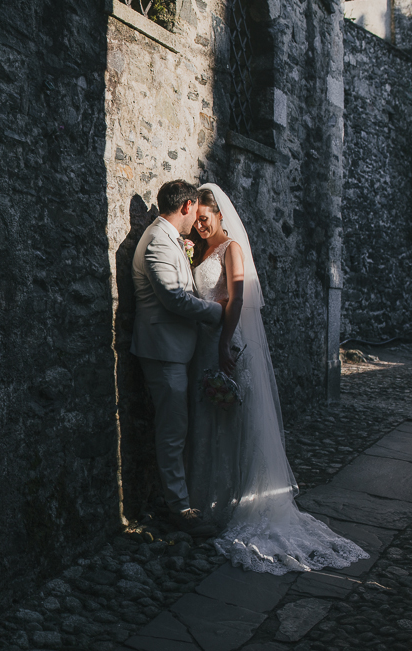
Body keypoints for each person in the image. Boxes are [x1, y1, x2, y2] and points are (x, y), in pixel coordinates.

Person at [185, 184, 368, 573]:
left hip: (226, 342)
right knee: (210, 421)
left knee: (237, 422)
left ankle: (241, 501)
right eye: (196, 219)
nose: (200, 226)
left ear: (219, 215)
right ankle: (211, 497)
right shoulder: (198, 250)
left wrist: (224, 344)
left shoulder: (232, 248)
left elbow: (237, 298)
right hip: (201, 347)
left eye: (205, 218)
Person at [131, 180, 224, 537]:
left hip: (174, 349)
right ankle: (179, 510)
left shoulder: (167, 239)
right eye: (194, 212)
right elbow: (174, 299)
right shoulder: (156, 241)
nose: (195, 223)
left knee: (178, 428)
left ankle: (178, 499)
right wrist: (216, 312)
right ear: (186, 206)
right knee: (172, 432)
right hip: (163, 350)